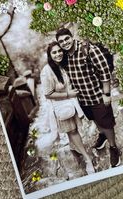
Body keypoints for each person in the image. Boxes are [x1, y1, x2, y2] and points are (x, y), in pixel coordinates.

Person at [56, 28, 121, 168]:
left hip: (98, 96)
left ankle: (113, 147)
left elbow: (104, 71)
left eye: (66, 38)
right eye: (61, 41)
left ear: (71, 36)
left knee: (106, 123)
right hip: (82, 99)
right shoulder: (65, 56)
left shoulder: (88, 49)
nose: (65, 43)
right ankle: (102, 136)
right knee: (95, 119)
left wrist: (106, 94)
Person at [40, 41, 95, 175]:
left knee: (73, 131)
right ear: (49, 55)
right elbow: (48, 94)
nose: (58, 54)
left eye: (59, 51)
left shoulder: (64, 65)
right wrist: (68, 94)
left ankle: (74, 148)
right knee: (73, 131)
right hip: (61, 107)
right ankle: (88, 159)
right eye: (54, 52)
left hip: (72, 104)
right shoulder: (47, 71)